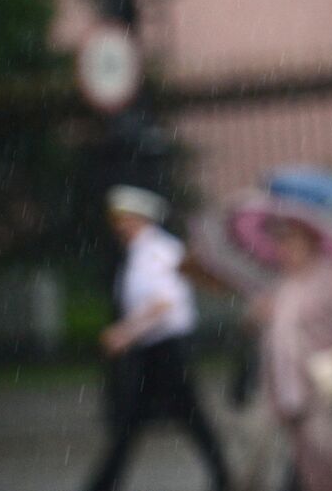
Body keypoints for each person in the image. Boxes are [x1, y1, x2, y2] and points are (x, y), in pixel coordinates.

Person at [84, 185, 230, 491]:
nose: (119, 225)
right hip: (153, 348)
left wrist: (126, 332)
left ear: (140, 218)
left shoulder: (157, 251)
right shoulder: (142, 252)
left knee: (182, 418)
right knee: (139, 420)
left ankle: (224, 476)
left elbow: (163, 303)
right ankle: (222, 475)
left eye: (124, 218)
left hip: (166, 349)